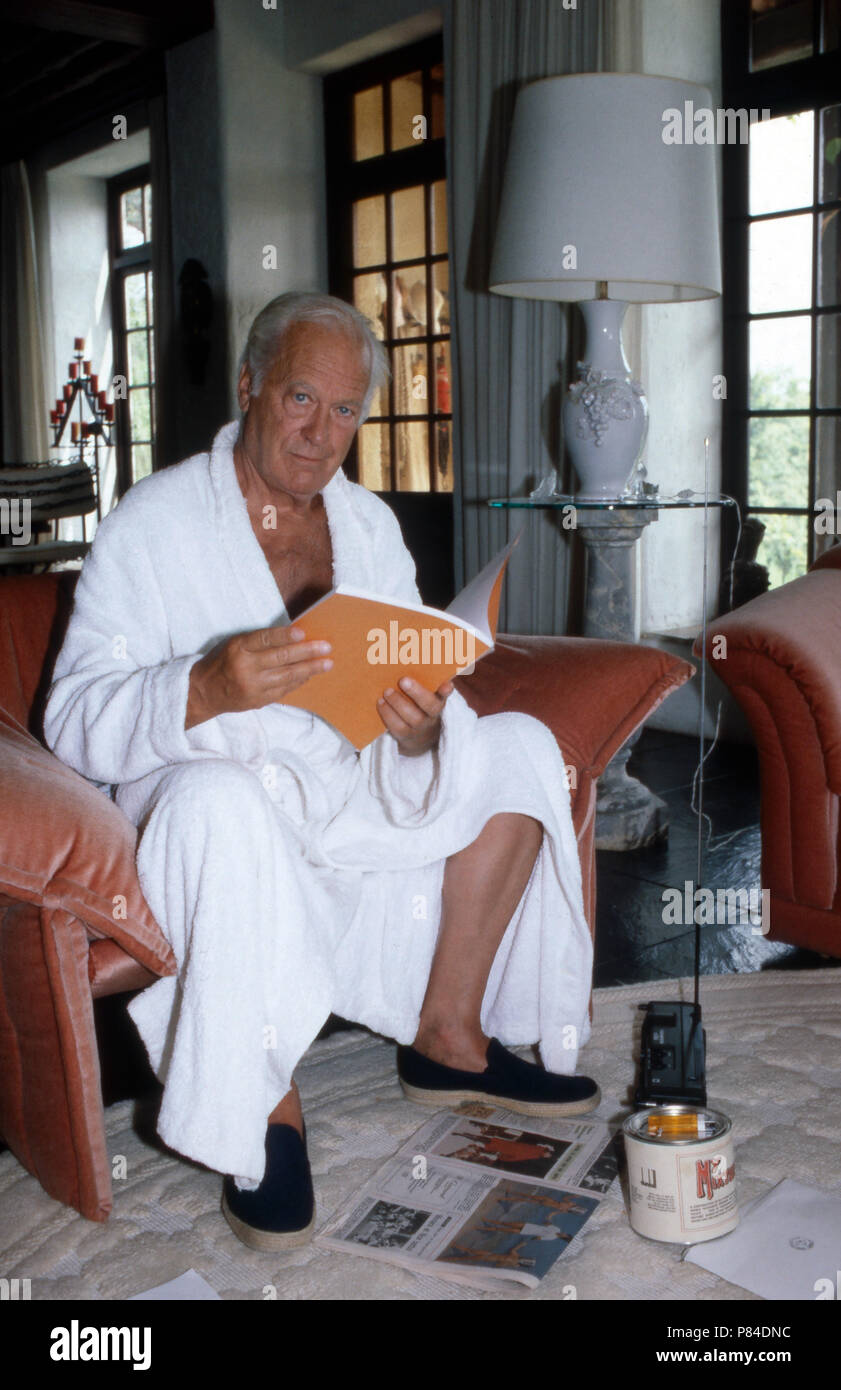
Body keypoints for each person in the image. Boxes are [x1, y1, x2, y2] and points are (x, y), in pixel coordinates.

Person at [44, 291, 598, 1252]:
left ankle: (450, 1039)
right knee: (225, 809)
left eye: (346, 411)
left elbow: (405, 686)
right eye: (302, 398)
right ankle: (263, 1107)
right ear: (250, 383)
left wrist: (421, 729)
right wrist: (205, 685)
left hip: (348, 786)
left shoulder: (368, 525)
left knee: (513, 749)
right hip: (208, 786)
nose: (320, 433)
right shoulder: (156, 519)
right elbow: (72, 718)